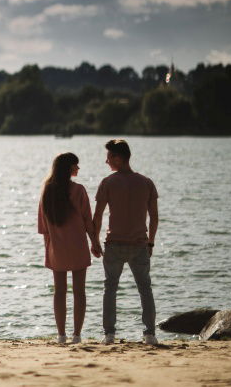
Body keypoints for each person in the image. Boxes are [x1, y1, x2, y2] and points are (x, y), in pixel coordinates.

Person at [93, 139, 159, 345]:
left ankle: (109, 334)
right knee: (145, 288)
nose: (106, 161)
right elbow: (154, 217)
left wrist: (94, 241)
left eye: (109, 157)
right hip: (140, 244)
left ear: (118, 158)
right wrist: (151, 242)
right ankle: (150, 334)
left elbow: (98, 216)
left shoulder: (108, 183)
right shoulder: (146, 182)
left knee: (110, 288)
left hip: (114, 244)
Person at [37, 152, 103, 344]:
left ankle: (61, 335)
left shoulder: (46, 192)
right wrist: (95, 242)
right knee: (79, 291)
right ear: (69, 168)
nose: (78, 168)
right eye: (76, 165)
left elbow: (43, 228)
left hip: (56, 247)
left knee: (59, 292)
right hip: (77, 246)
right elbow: (87, 221)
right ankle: (76, 335)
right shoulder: (79, 190)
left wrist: (48, 250)